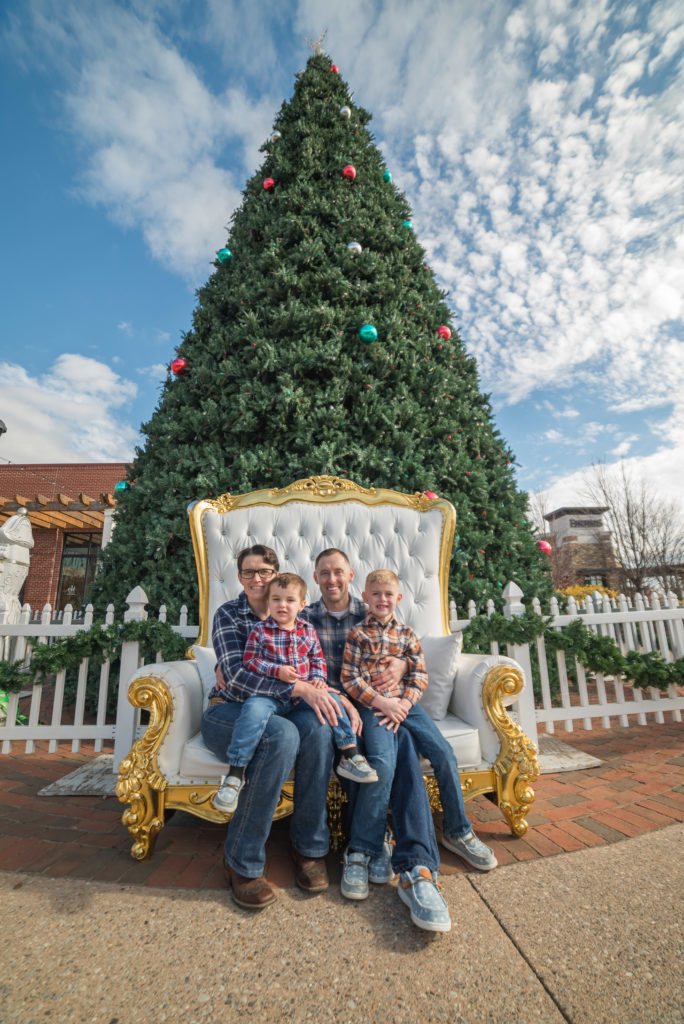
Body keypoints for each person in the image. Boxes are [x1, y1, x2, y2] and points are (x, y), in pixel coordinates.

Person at [304, 549, 456, 932]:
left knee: (399, 747)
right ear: (316, 577)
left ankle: (411, 864)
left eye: (339, 572)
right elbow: (285, 652)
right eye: (325, 573)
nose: (333, 579)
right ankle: (381, 851)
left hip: (385, 705)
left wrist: (403, 667)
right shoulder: (303, 618)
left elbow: (406, 650)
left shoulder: (369, 609)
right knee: (378, 752)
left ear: (351, 575)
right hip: (344, 706)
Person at [201, 545, 340, 910]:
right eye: (249, 572)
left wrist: (324, 691)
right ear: (240, 578)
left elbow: (317, 663)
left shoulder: (296, 612)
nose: (257, 579)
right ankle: (241, 860)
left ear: (277, 573)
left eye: (264, 571)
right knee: (282, 733)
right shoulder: (229, 615)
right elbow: (234, 679)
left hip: (285, 709)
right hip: (229, 714)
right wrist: (295, 686)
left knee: (320, 727)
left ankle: (308, 848)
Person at [341, 568, 498, 877]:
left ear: (398, 598)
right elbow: (349, 678)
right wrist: (380, 701)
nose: (382, 600)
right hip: (374, 708)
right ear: (365, 598)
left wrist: (404, 702)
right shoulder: (357, 634)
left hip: (407, 707)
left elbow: (420, 675)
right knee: (382, 764)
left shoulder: (408, 634)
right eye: (376, 594)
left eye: (388, 595)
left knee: (443, 754)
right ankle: (369, 844)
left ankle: (458, 830)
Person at [213, 572, 377, 814]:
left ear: (301, 605)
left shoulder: (307, 630)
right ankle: (235, 774)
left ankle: (350, 754)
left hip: (303, 697)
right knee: (252, 709)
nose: (282, 605)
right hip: (270, 695)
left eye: (289, 600)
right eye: (276, 600)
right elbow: (250, 661)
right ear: (268, 603)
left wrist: (319, 681)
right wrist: (276, 671)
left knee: (331, 700)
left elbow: (317, 659)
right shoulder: (260, 630)